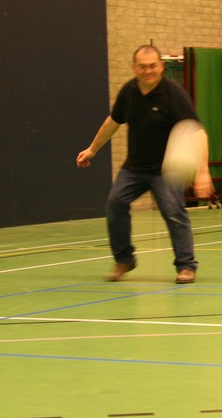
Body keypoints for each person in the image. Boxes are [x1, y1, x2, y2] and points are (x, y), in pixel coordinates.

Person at [77, 45, 212, 284]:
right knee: (115, 203)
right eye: (142, 66)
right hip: (135, 167)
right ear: (134, 68)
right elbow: (113, 122)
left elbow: (197, 132)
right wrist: (92, 149)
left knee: (174, 213)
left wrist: (203, 172)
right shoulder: (128, 92)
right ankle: (124, 260)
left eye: (152, 66)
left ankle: (186, 266)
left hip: (166, 170)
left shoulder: (173, 94)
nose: (148, 71)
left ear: (161, 66)